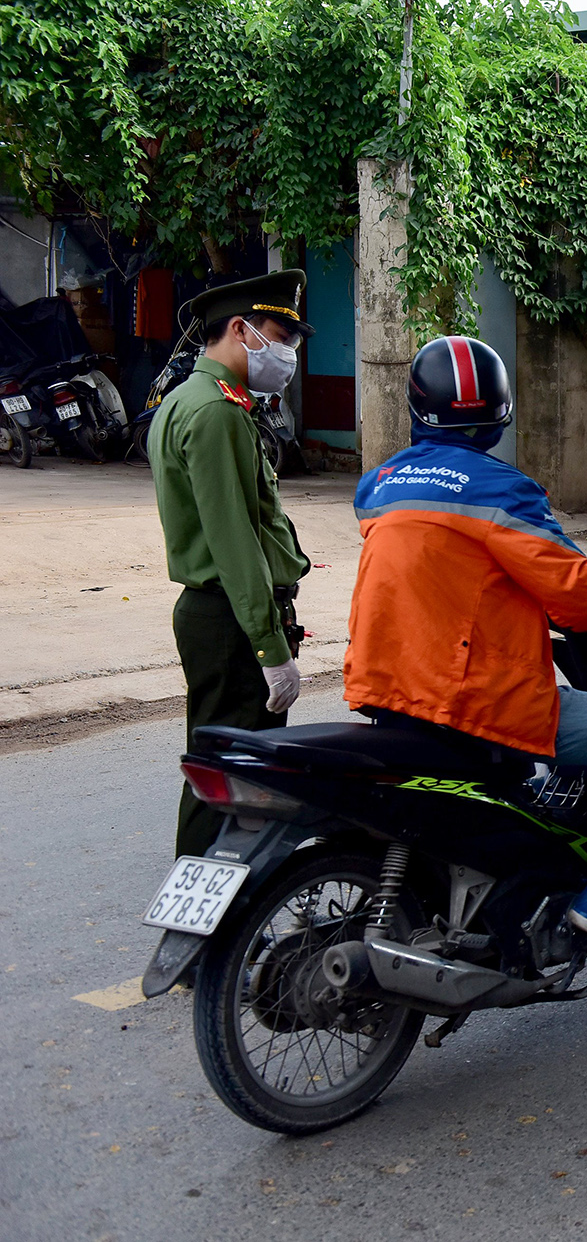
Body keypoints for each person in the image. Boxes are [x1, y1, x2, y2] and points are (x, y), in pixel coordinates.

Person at [344, 335, 587, 953]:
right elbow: (578, 595)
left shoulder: (379, 486)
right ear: (498, 414)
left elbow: (455, 576)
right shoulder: (502, 490)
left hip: (387, 692)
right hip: (473, 700)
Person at [150, 271, 313, 859]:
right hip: (232, 617)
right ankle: (212, 907)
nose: (287, 354)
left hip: (221, 614)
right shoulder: (215, 412)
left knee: (220, 765)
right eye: (278, 336)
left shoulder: (188, 401)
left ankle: (214, 901)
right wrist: (271, 649)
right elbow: (234, 541)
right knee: (236, 778)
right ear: (241, 330)